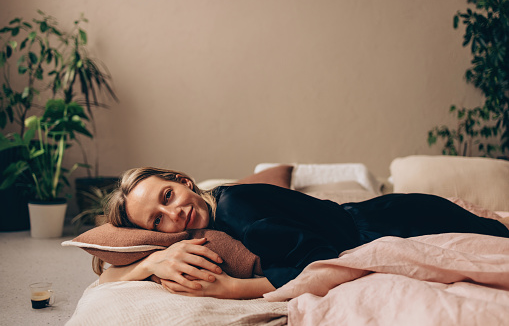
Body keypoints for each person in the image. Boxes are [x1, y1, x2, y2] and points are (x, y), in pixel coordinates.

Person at [97, 167, 509, 299]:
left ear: (183, 180)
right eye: (157, 221)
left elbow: (319, 258)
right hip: (386, 214)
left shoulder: (238, 210)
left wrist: (229, 289)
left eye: (168, 195)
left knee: (495, 237)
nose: (175, 215)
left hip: (400, 221)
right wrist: (149, 260)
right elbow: (104, 265)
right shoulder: (215, 211)